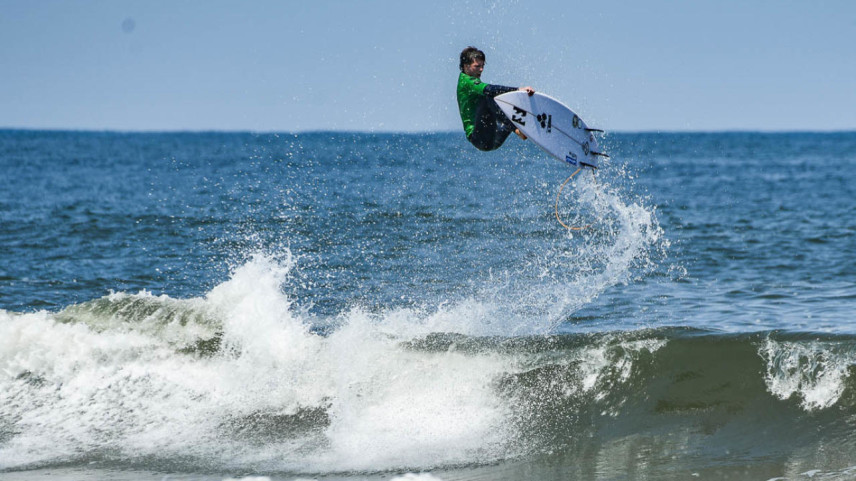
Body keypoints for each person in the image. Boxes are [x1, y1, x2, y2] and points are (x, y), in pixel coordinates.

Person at [456, 46, 535, 151]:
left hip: (495, 135)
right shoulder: (466, 82)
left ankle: (527, 121)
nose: (481, 69)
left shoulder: (472, 80)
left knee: (505, 101)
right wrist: (518, 89)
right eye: (477, 66)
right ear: (466, 66)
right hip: (479, 138)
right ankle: (517, 129)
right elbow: (489, 89)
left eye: (482, 66)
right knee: (488, 96)